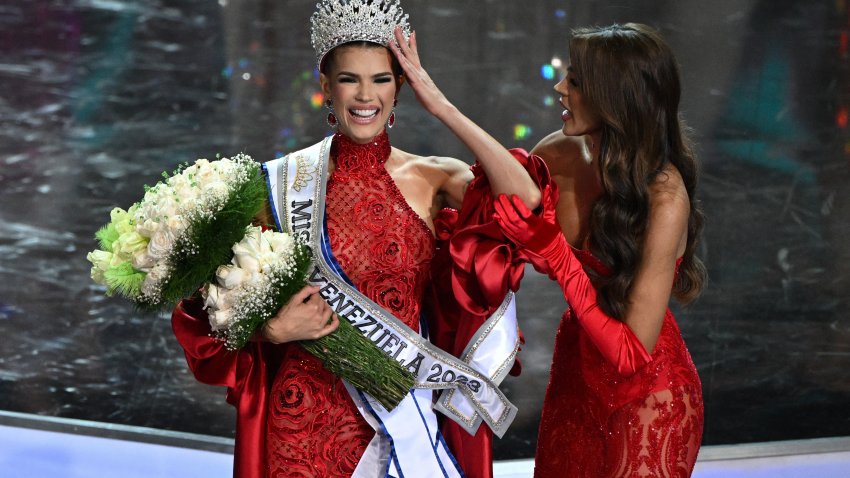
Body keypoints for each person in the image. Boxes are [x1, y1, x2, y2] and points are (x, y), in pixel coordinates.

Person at [172, 1, 550, 477]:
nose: (364, 95)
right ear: (326, 86)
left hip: (406, 419)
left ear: (400, 88)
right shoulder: (282, 184)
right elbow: (205, 312)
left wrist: (441, 105)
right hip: (303, 420)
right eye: (350, 78)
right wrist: (270, 331)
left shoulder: (435, 177)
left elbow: (527, 200)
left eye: (382, 79)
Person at [493, 23, 707, 477]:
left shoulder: (665, 198)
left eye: (575, 80)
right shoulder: (557, 153)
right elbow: (487, 215)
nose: (560, 88)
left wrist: (555, 254)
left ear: (615, 96)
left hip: (648, 396)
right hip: (575, 377)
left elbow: (632, 350)